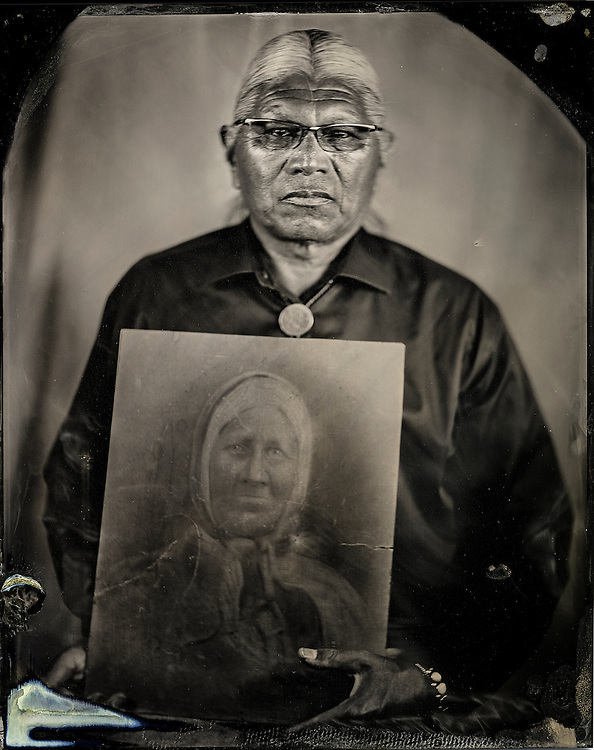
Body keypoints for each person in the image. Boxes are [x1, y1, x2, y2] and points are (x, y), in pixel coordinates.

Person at [43, 28, 573, 729]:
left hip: (396, 711)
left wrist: (438, 677)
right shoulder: (157, 293)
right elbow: (79, 489)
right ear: (230, 148)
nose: (310, 162)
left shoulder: (455, 315)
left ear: (383, 152)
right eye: (277, 131)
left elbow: (533, 534)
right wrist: (112, 635)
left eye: (343, 134)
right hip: (176, 698)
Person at [84, 372, 368, 722]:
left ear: (300, 473)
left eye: (276, 452)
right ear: (203, 461)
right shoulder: (134, 588)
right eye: (238, 447)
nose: (254, 474)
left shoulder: (332, 602)